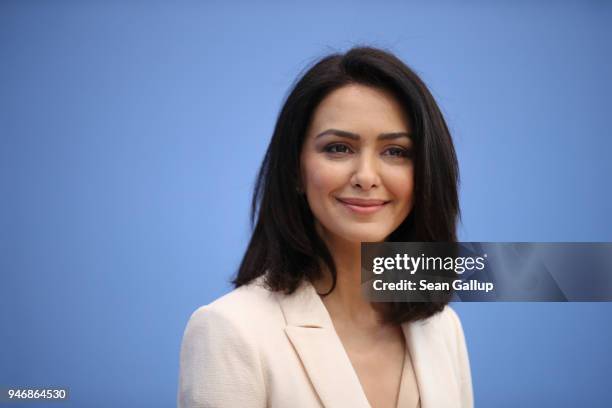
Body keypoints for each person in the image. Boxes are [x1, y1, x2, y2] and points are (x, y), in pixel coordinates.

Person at [177, 46, 473, 408]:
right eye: (338, 148)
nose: (366, 177)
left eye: (395, 151)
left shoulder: (443, 328)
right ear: (295, 170)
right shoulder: (229, 330)